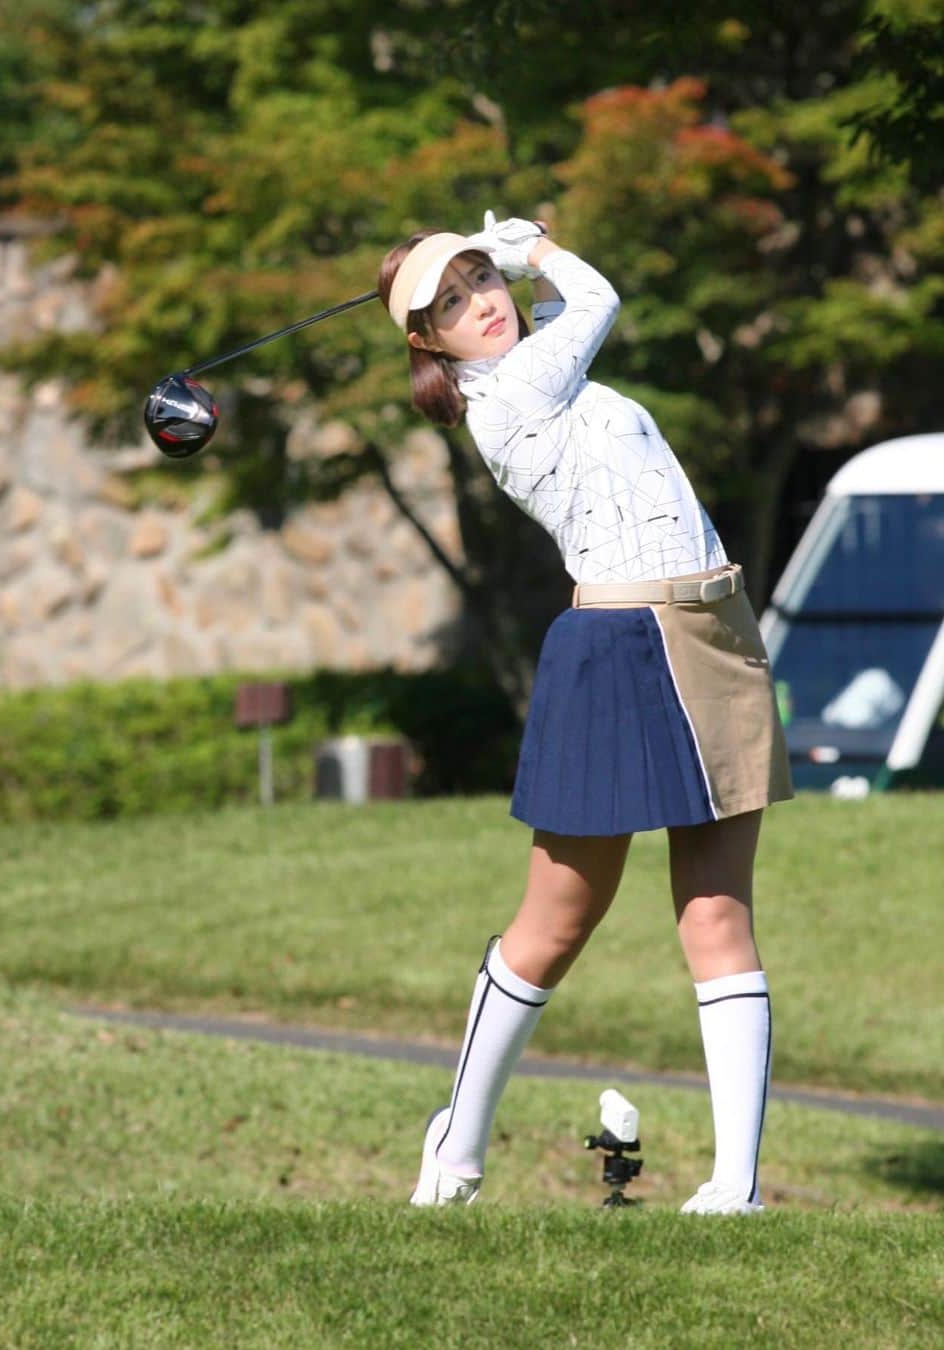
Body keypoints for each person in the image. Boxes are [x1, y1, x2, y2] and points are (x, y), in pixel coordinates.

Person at [377, 212, 794, 1215]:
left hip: (716, 629)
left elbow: (570, 311)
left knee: (720, 910)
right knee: (557, 921)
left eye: (483, 279)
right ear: (428, 343)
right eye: (454, 301)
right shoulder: (507, 395)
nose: (484, 301)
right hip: (616, 648)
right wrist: (537, 252)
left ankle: (735, 1188)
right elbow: (596, 297)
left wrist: (525, 260)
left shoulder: (537, 368)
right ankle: (459, 1142)